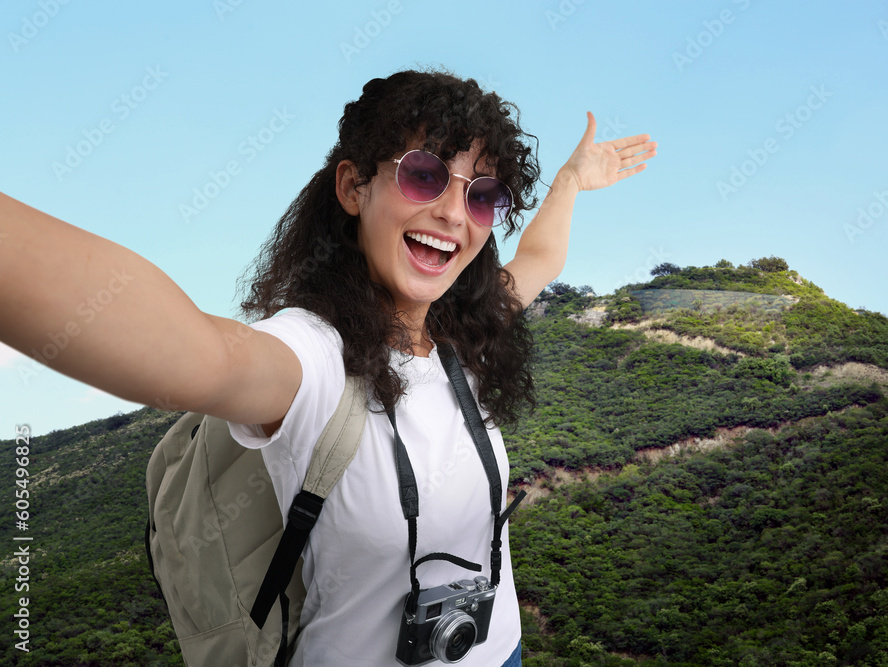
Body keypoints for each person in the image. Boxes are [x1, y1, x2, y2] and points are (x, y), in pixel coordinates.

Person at [0, 68, 655, 665]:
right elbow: (195, 349)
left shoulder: (464, 338)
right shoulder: (313, 355)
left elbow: (540, 257)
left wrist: (569, 182)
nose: (455, 213)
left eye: (481, 195)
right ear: (353, 185)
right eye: (424, 175)